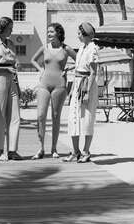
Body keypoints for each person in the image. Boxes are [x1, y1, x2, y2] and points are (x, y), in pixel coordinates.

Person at [30, 23, 76, 159]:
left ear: (58, 33)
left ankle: (54, 148)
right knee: (40, 116)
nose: (48, 34)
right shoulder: (44, 47)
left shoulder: (66, 48)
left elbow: (79, 60)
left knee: (56, 116)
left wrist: (68, 69)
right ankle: (41, 148)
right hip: (44, 84)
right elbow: (33, 60)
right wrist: (40, 69)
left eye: (51, 32)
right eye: (48, 32)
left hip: (60, 85)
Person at [0, 17, 23, 161]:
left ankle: (12, 150)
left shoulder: (11, 44)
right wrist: (5, 67)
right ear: (2, 28)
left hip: (12, 80)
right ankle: (0, 152)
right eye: (9, 28)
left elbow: (14, 64)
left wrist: (16, 66)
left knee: (15, 116)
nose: (11, 31)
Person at [63, 22, 99, 163]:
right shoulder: (82, 48)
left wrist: (88, 92)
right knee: (73, 118)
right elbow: (78, 68)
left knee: (87, 119)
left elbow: (93, 72)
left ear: (85, 34)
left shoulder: (93, 48)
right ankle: (75, 150)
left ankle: (86, 151)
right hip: (77, 83)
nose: (77, 35)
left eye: (79, 33)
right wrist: (72, 89)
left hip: (87, 85)